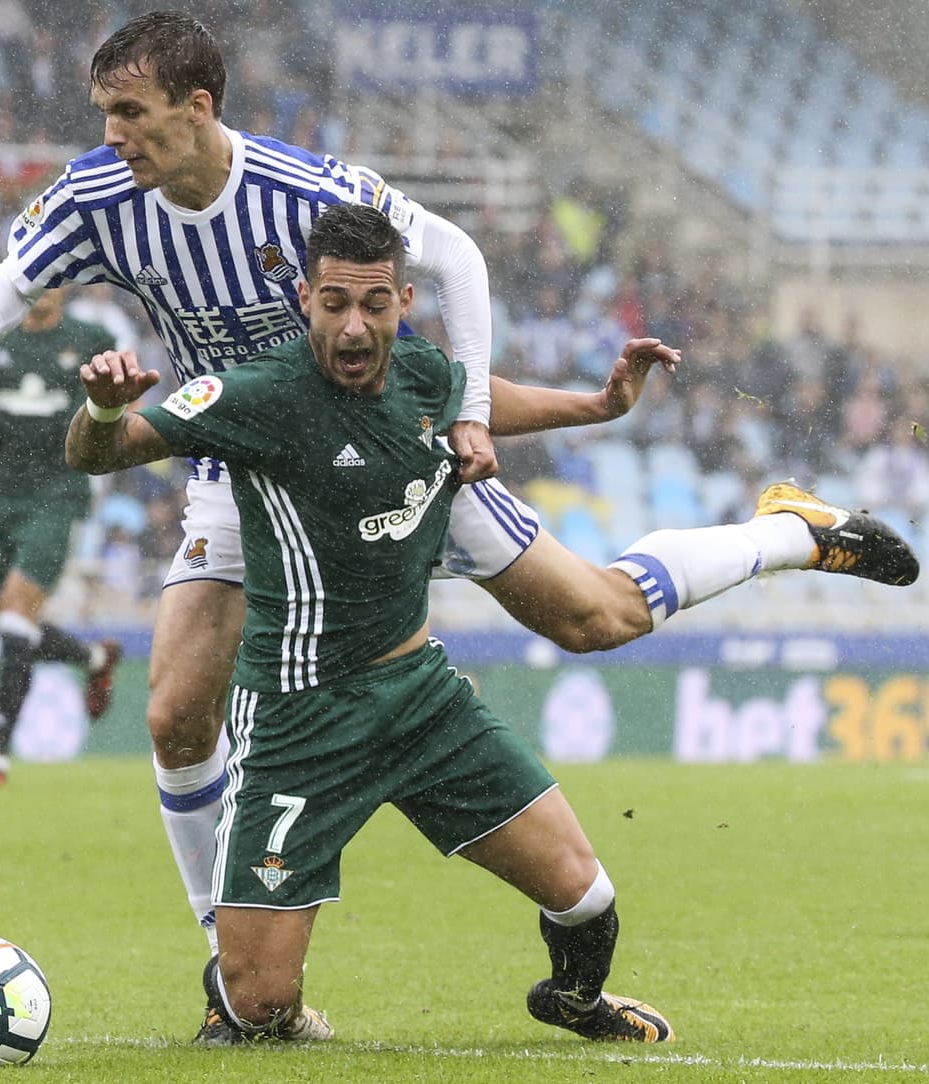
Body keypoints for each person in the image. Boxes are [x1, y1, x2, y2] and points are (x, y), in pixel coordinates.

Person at [0, 9, 916, 1006]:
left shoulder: (301, 192)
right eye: (103, 113)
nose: (110, 135)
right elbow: (8, 281)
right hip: (244, 463)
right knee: (178, 714)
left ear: (197, 107)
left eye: (128, 113)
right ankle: (221, 953)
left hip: (392, 452)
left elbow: (454, 258)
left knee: (594, 616)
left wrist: (477, 412)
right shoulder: (103, 195)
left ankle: (787, 529)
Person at [63, 204, 917, 1043]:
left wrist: (597, 407)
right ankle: (254, 983)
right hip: (299, 720)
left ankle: (575, 1003)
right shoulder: (258, 395)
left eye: (374, 304)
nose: (354, 328)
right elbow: (105, 449)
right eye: (334, 305)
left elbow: (479, 395)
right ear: (305, 303)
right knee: (256, 1006)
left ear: (403, 301)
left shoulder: (428, 374)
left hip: (418, 700)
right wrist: (102, 411)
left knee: (587, 900)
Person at [0, 287, 124, 786]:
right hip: (2, 497)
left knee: (19, 609)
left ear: (67, 284)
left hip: (59, 492)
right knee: (10, 621)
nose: (44, 286)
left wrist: (105, 433)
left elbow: (127, 398)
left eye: (54, 277)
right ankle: (93, 658)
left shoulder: (91, 339)